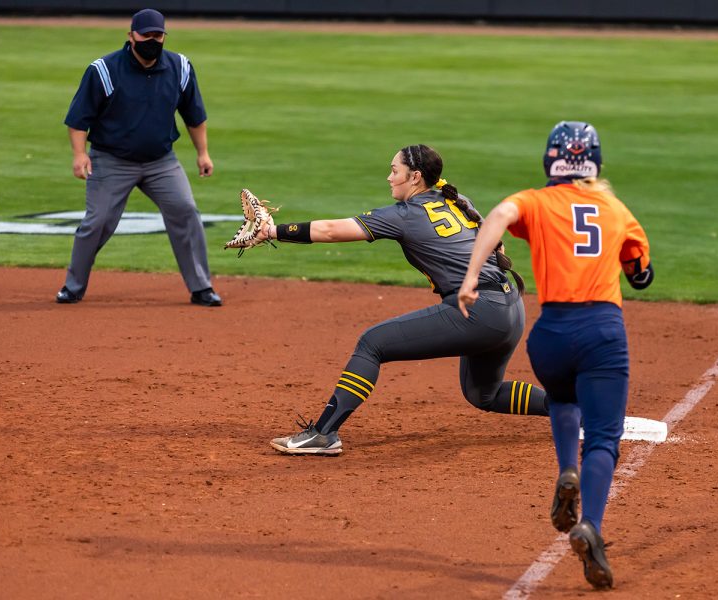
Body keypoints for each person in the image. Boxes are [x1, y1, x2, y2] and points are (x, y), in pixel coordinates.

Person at [233, 144, 550, 455]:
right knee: (484, 393)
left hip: (478, 312)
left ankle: (323, 433)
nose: (388, 177)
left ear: (414, 177)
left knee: (373, 343)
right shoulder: (456, 200)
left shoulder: (406, 214)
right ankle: (573, 409)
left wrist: (274, 232)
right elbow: (499, 247)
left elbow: (331, 230)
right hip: (511, 308)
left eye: (394, 170)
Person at [458, 122, 653, 589]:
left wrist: (470, 278)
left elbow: (499, 215)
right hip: (601, 332)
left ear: (551, 161)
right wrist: (630, 264)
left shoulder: (535, 201)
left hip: (549, 335)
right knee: (604, 439)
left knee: (564, 400)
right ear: (596, 162)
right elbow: (640, 274)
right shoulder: (615, 208)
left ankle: (566, 466)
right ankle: (592, 526)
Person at [57, 8, 221, 307]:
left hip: (161, 161)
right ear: (130, 36)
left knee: (186, 212)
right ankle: (73, 286)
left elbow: (194, 115)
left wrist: (203, 153)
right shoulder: (104, 70)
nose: (152, 40)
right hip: (111, 160)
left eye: (158, 35)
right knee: (98, 222)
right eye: (146, 35)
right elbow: (79, 119)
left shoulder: (180, 67)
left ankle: (201, 287)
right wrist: (80, 155)